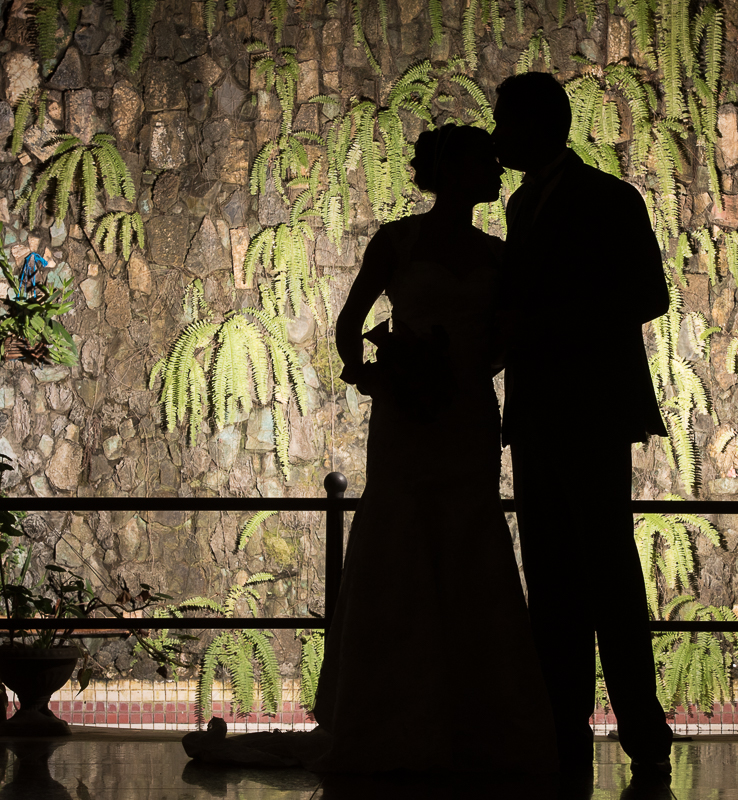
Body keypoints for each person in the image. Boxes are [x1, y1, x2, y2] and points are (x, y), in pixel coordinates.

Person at [183, 125, 556, 778]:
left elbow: (504, 346)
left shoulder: (498, 257)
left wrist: (461, 375)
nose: (495, 169)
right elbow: (349, 320)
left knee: (468, 541)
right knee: (400, 540)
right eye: (481, 161)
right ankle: (390, 713)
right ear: (451, 171)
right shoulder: (399, 241)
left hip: (465, 417)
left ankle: (473, 717)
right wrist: (373, 375)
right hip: (405, 418)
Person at [492, 72, 676, 782]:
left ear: (540, 125)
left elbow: (648, 294)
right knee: (554, 577)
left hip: (590, 412)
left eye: (505, 120)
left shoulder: (608, 199)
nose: (498, 134)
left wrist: (540, 327)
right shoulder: (522, 204)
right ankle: (565, 724)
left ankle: (642, 732)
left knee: (606, 573)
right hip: (541, 414)